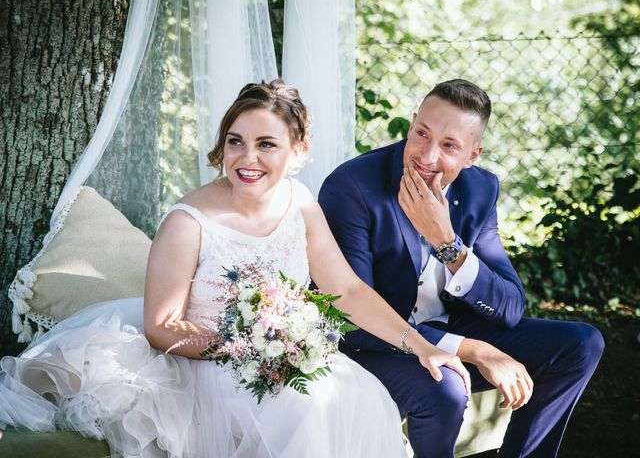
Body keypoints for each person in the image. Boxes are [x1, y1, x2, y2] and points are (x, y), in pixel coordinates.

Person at [0, 80, 471, 458]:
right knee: (302, 409)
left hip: (284, 360)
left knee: (357, 399)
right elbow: (161, 328)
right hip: (203, 364)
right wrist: (247, 348)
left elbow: (345, 289)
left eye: (267, 144)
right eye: (236, 142)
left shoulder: (300, 202)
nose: (247, 159)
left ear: (298, 151)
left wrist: (421, 347)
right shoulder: (190, 221)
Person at [318, 78, 605, 458]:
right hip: (377, 345)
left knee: (581, 345)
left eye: (449, 145)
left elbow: (509, 307)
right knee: (446, 388)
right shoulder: (352, 187)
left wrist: (446, 243)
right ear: (411, 125)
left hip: (447, 326)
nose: (427, 155)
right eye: (422, 134)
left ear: (472, 155)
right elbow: (351, 320)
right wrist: (473, 350)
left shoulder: (479, 189)